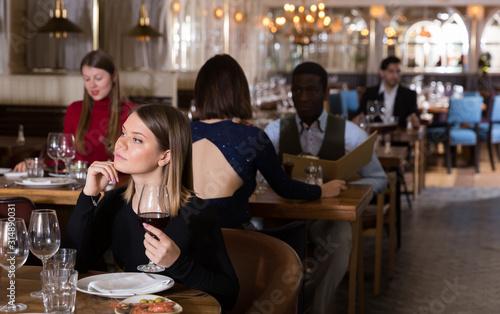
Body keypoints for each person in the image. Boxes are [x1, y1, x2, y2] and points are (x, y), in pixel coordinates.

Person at [62, 104, 239, 310]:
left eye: (136, 139)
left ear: (165, 156)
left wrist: (177, 262)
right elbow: (71, 266)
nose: (120, 144)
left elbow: (228, 293)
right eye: (123, 133)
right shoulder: (115, 202)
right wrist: (88, 195)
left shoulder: (196, 212)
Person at [264, 61, 387, 314]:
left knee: (340, 239)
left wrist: (347, 185)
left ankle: (315, 308)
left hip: (327, 218)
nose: (303, 97)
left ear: (325, 93)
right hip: (282, 217)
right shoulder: (274, 132)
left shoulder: (350, 135)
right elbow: (255, 179)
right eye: (297, 91)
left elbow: (379, 178)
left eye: (311, 90)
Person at [190, 54, 346, 230]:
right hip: (233, 241)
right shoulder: (251, 136)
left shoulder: (181, 132)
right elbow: (284, 187)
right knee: (289, 238)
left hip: (183, 241)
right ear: (239, 91)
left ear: (200, 92)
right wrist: (323, 190)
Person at [13, 49, 137, 172]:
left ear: (114, 76)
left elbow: (139, 159)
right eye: (87, 79)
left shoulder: (132, 112)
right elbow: (64, 158)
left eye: (98, 78)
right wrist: (37, 164)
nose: (92, 85)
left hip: (116, 183)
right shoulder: (74, 109)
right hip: (78, 183)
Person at [355, 56, 420, 128]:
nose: (395, 75)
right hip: (376, 135)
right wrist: (359, 118)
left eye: (398, 71)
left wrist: (414, 119)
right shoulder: (370, 93)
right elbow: (360, 115)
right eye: (391, 71)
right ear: (382, 73)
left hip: (399, 136)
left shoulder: (409, 94)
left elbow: (416, 117)